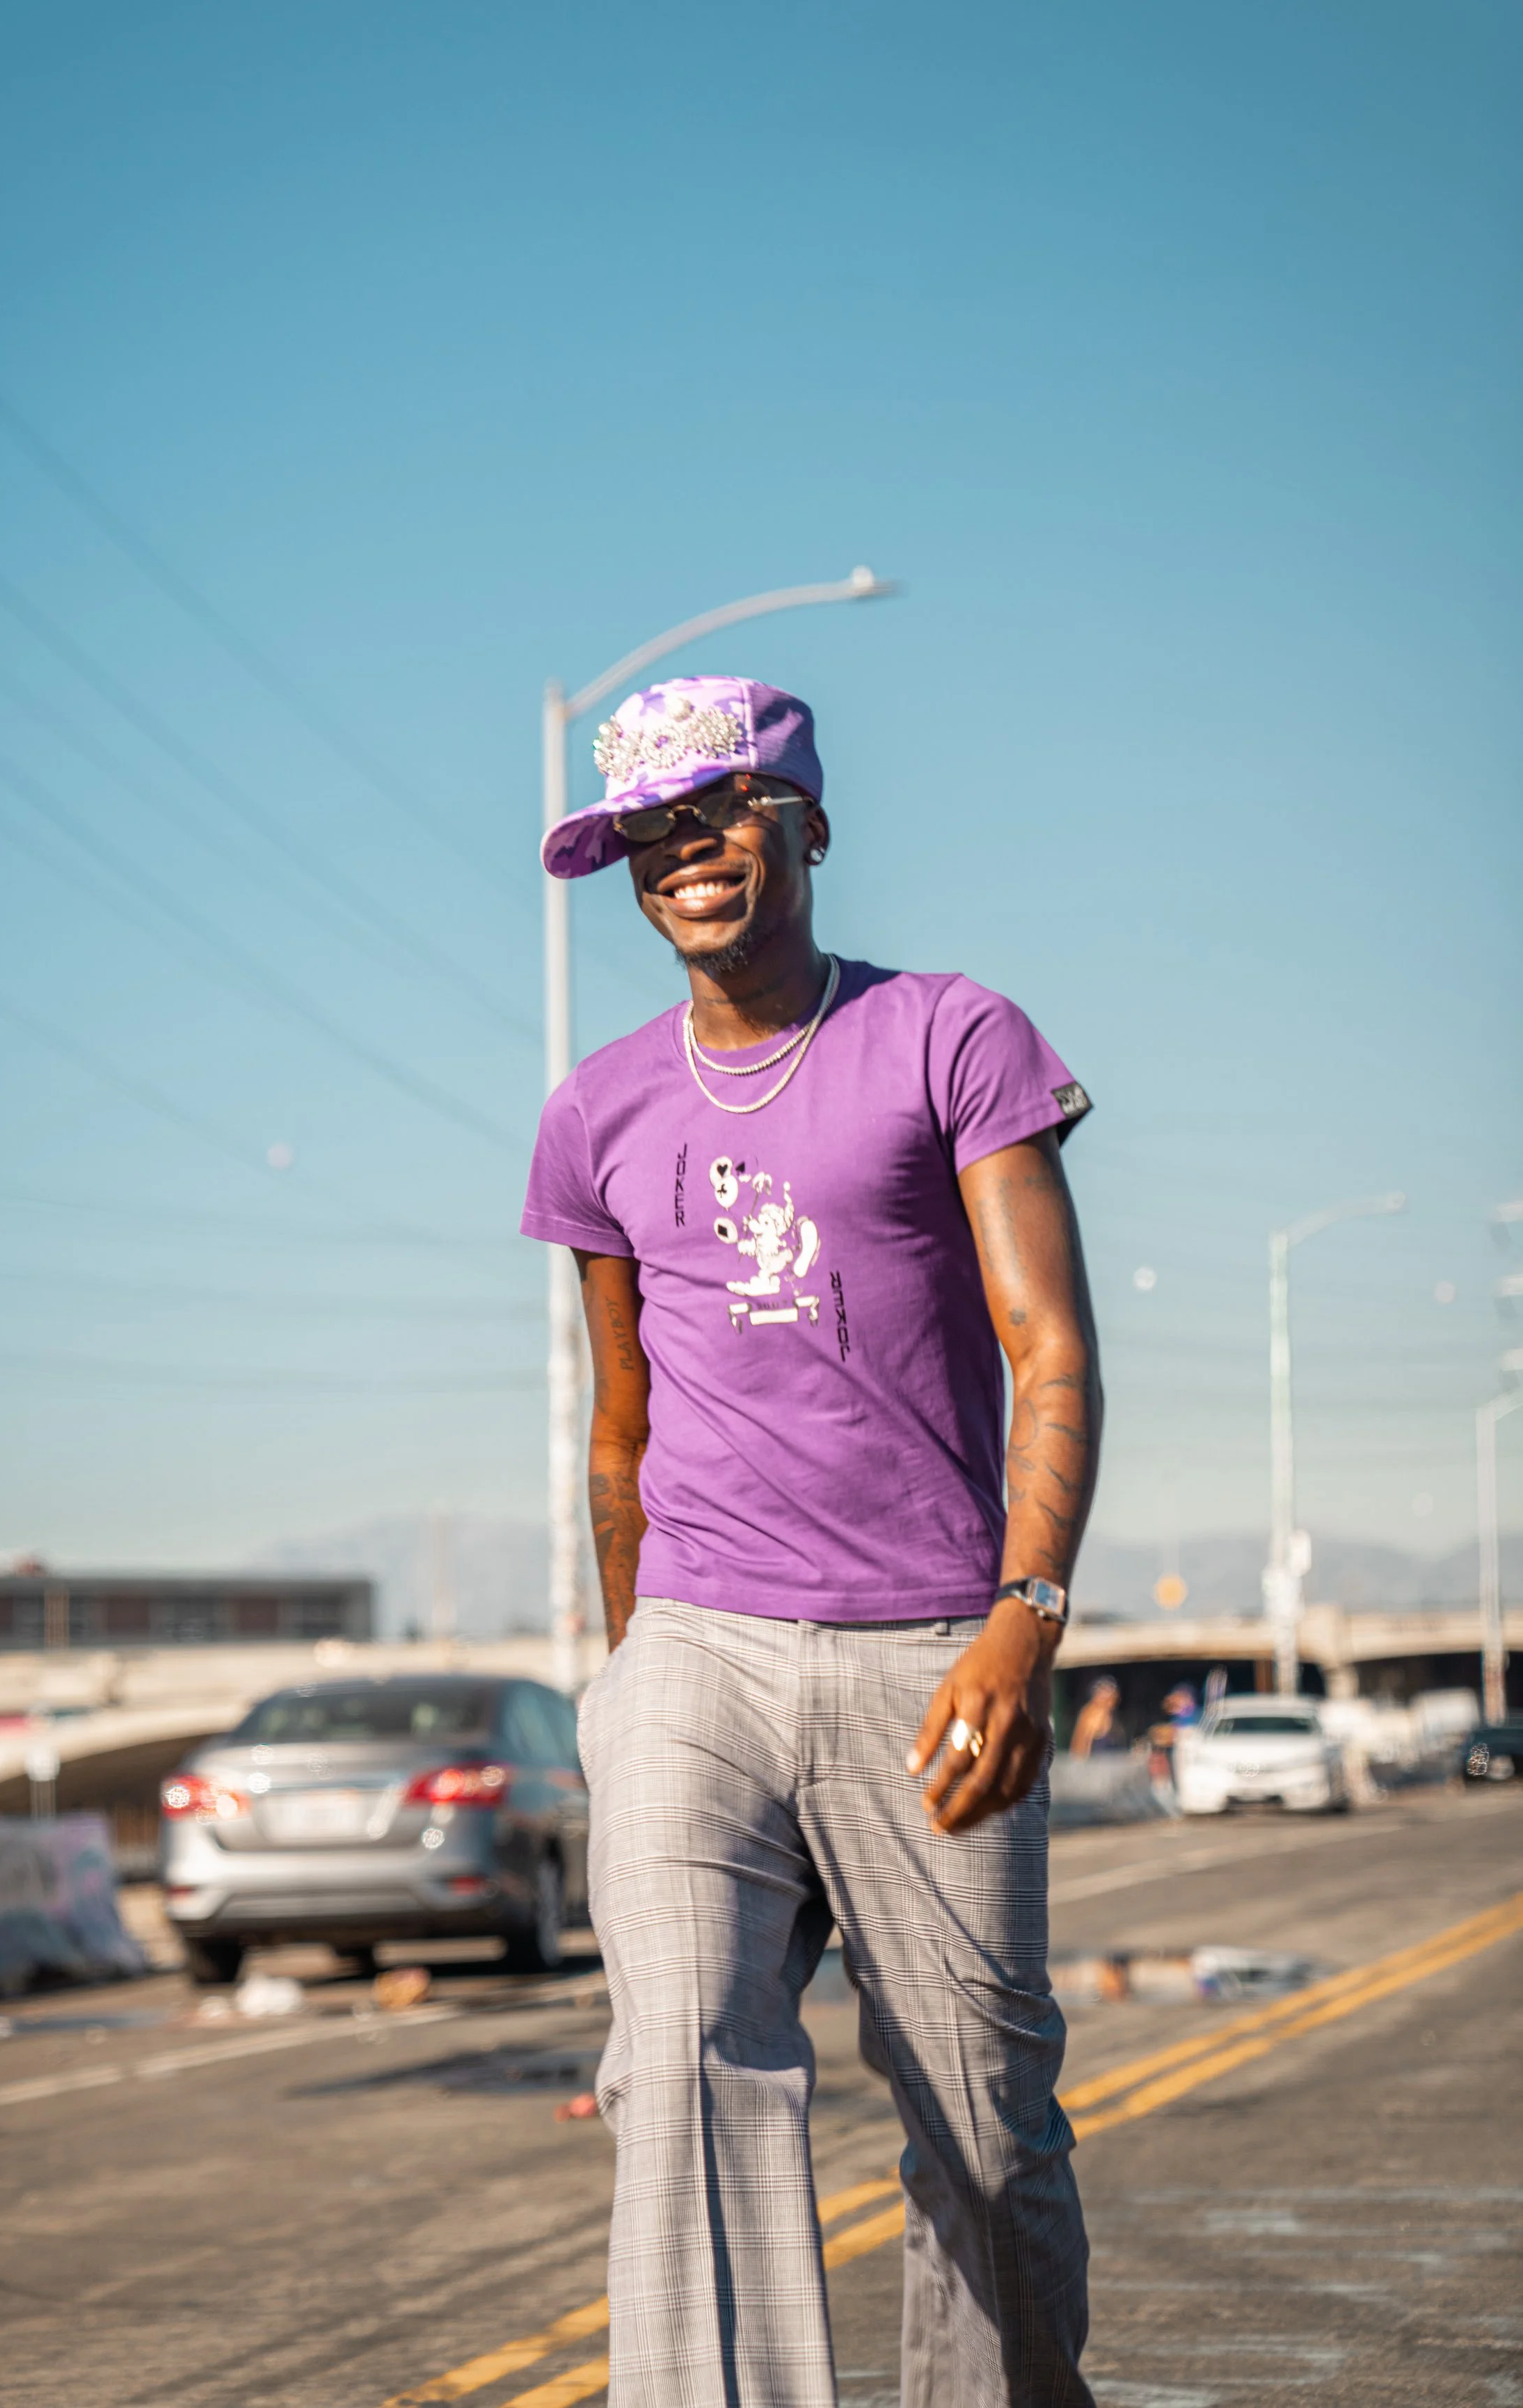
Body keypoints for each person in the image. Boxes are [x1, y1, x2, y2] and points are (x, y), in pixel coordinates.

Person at [523, 674, 1103, 2408]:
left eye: (718, 809)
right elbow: (618, 1431)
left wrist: (1025, 1617)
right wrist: (633, 1672)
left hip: (933, 1641)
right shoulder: (596, 1110)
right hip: (696, 1637)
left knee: (981, 2124)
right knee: (685, 2059)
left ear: (809, 822)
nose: (682, 850)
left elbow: (1050, 1348)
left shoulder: (950, 1034)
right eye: (647, 829)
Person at [1069, 1676, 1126, 1760]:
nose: (1113, 1701)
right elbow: (1080, 1748)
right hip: (1095, 1766)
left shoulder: (1110, 1714)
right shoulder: (1091, 1714)